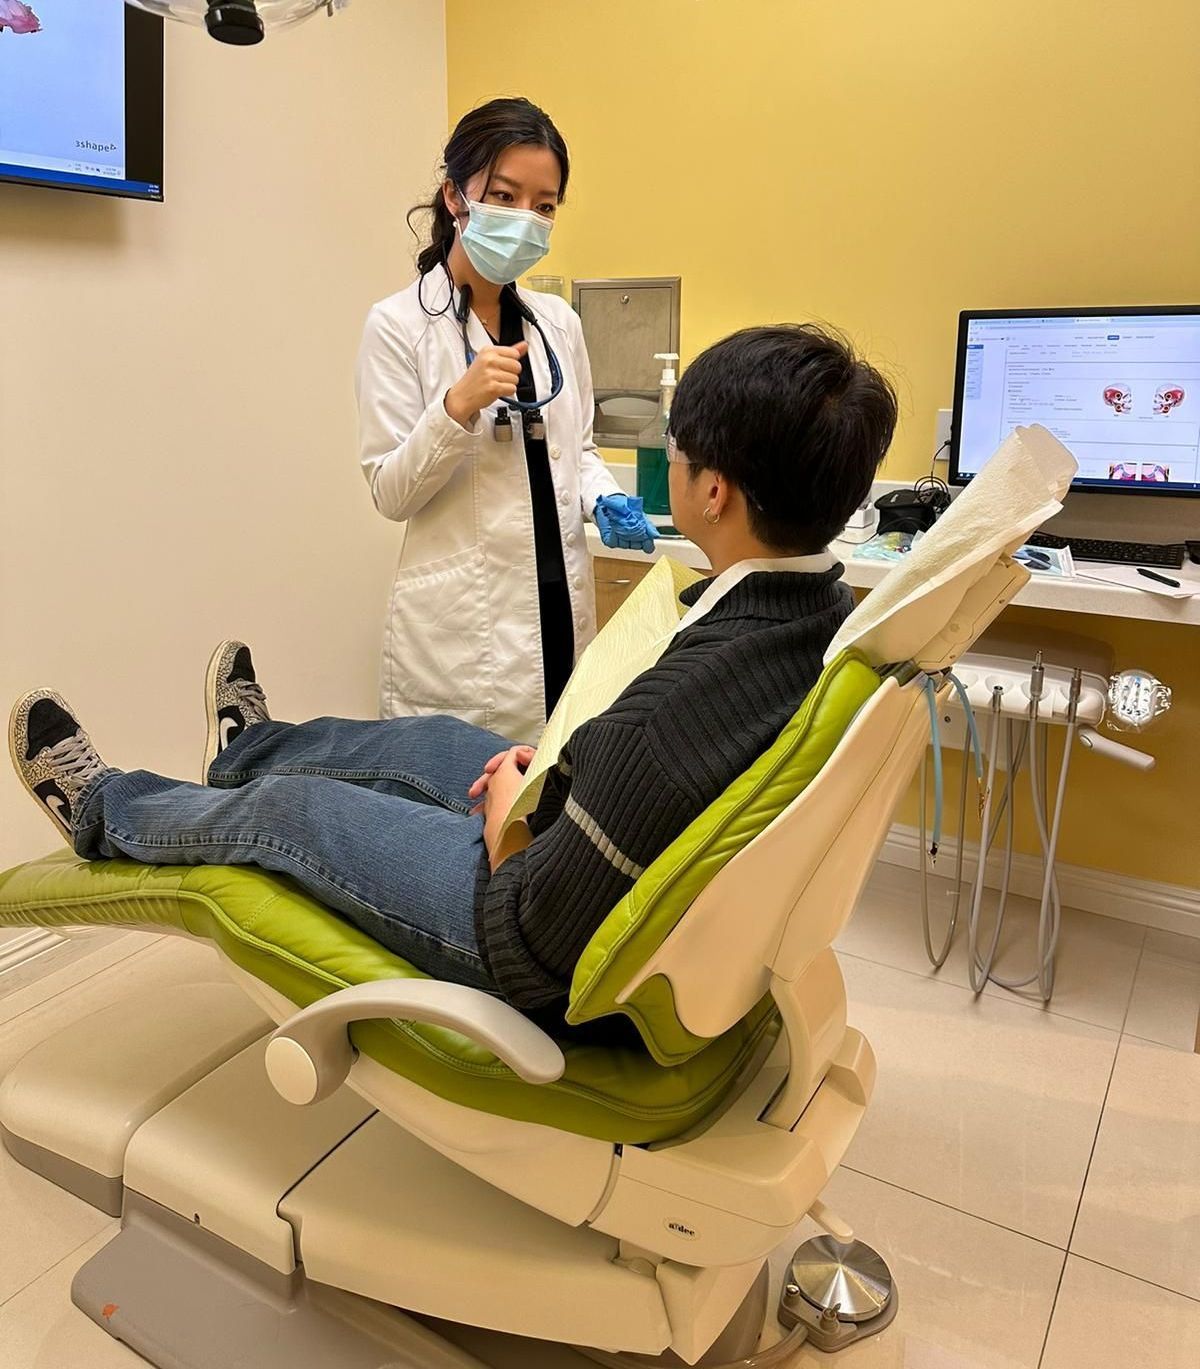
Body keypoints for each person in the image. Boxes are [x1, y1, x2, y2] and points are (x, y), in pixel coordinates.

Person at [11, 325, 897, 1017]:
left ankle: (101, 809)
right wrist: (543, 781)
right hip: (586, 831)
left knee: (296, 813)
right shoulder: (818, 609)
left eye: (681, 447)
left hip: (521, 933)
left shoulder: (676, 716)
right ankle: (249, 746)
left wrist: (514, 819)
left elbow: (538, 925)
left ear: (713, 494)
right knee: (430, 740)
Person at [356, 96, 657, 744]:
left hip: (558, 609)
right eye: (505, 195)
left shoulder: (560, 325)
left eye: (544, 206)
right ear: (456, 198)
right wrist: (455, 408)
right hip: (467, 629)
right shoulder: (398, 326)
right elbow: (389, 491)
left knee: (547, 788)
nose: (527, 219)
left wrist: (605, 498)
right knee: (465, 813)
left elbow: (575, 450)